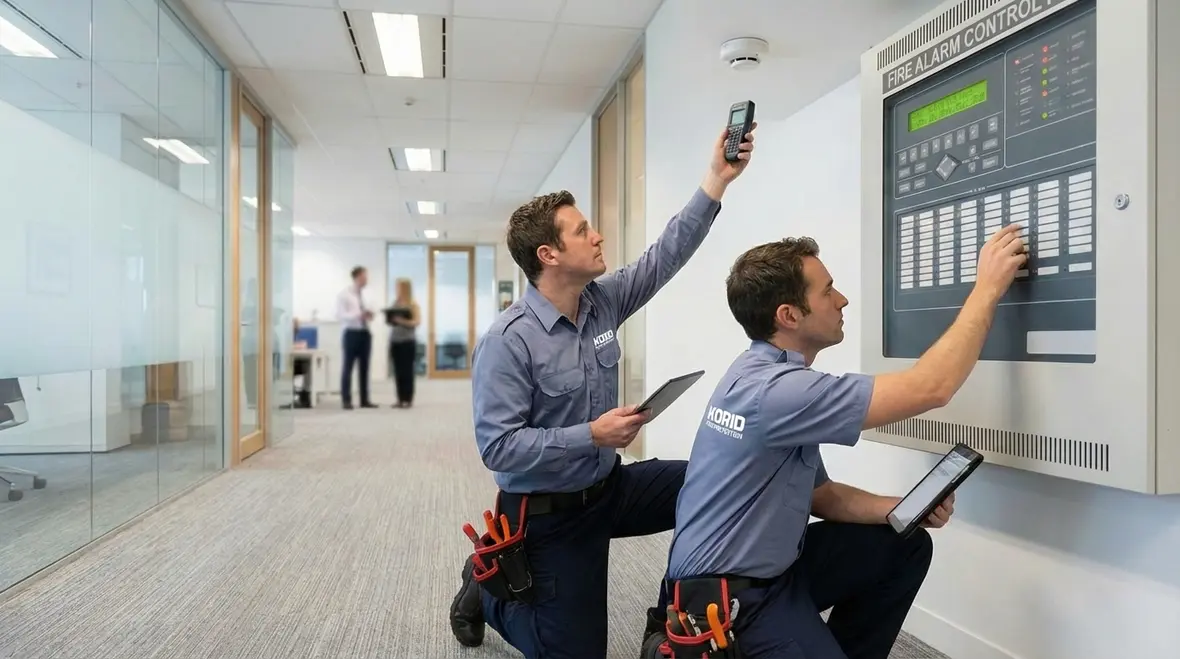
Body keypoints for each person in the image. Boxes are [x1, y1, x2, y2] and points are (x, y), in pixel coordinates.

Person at [447, 121, 757, 658]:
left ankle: (670, 619)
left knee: (714, 485)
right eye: (583, 230)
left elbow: (665, 257)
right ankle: (488, 590)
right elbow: (498, 448)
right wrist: (590, 433)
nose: (598, 236)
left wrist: (717, 179)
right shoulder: (508, 340)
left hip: (608, 489)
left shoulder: (602, 301)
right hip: (548, 514)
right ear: (548, 255)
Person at [655, 225, 1028, 659]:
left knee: (901, 545)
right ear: (789, 316)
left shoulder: (758, 373)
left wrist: (902, 508)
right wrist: (987, 288)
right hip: (730, 604)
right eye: (828, 291)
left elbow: (824, 497)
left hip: (774, 574)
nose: (842, 300)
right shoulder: (779, 393)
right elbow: (933, 387)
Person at [336, 266, 376, 409]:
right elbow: (340, 316)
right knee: (348, 367)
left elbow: (369, 310)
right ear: (357, 277)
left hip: (365, 333)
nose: (366, 279)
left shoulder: (365, 294)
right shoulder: (344, 295)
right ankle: (346, 400)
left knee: (365, 368)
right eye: (364, 276)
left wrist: (370, 315)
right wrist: (358, 315)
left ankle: (365, 400)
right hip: (351, 333)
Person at [386, 278, 421, 408]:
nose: (397, 290)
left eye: (399, 287)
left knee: (407, 371)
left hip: (408, 342)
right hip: (395, 341)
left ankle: (408, 399)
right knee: (398, 371)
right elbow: (391, 320)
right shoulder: (395, 303)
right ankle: (400, 399)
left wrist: (402, 321)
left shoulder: (413, 305)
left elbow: (417, 322)